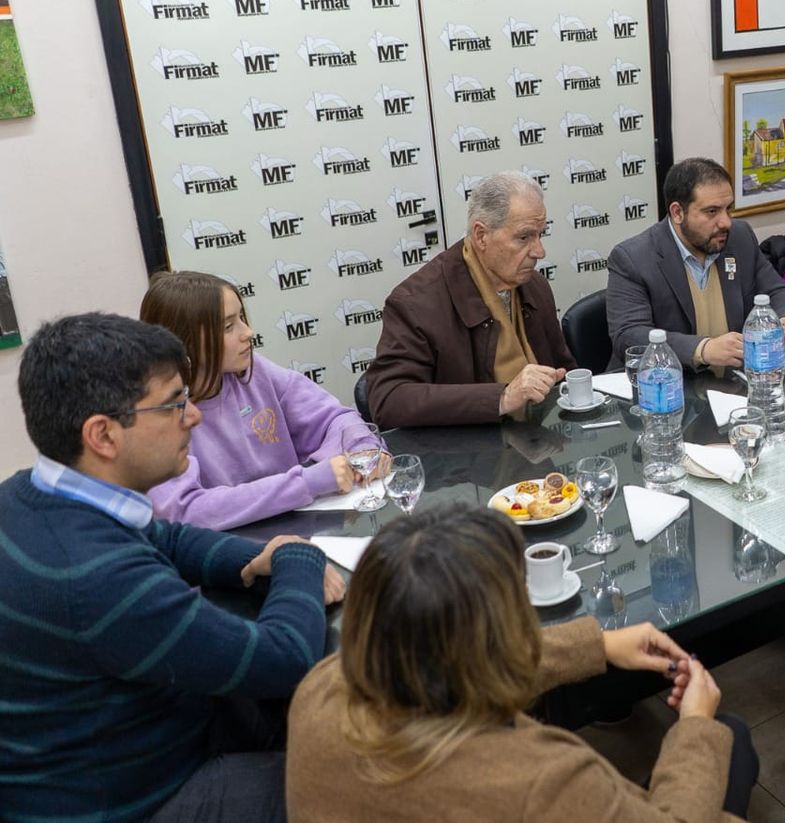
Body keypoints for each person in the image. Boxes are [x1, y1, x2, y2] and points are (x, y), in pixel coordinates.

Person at [0, 313, 343, 822]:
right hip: (136, 797)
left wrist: (252, 558)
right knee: (354, 782)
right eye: (175, 404)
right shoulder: (96, 577)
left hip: (118, 743)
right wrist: (298, 556)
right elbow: (283, 657)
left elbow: (166, 536)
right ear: (103, 435)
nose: (195, 417)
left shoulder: (28, 493)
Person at [286, 502, 759, 821]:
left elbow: (446, 661)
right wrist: (695, 724)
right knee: (729, 740)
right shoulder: (545, 782)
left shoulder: (320, 689)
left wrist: (599, 646)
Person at [141, 270, 368, 530]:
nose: (247, 332)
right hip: (225, 553)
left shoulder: (253, 371)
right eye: (228, 326)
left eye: (242, 318)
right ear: (185, 341)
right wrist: (305, 483)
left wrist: (362, 446)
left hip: (293, 529)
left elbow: (335, 418)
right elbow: (185, 510)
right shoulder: (158, 414)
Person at [366, 171, 576, 427]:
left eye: (540, 235)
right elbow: (388, 400)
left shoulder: (534, 285)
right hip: (462, 456)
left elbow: (564, 372)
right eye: (524, 237)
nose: (539, 251)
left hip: (539, 440)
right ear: (481, 236)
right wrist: (502, 397)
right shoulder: (416, 303)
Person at [607, 157, 785, 370]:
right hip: (667, 385)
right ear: (678, 212)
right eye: (712, 211)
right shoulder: (633, 258)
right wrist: (702, 349)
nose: (726, 222)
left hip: (735, 382)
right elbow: (629, 335)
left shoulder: (739, 236)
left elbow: (777, 291)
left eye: (728, 208)